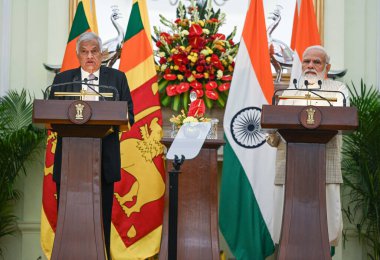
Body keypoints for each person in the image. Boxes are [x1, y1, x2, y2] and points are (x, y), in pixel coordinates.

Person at [49, 32, 134, 259]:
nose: (89, 56)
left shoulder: (117, 80)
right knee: (69, 219)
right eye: (84, 52)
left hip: (103, 163)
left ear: (102, 54)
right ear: (77, 55)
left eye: (94, 51)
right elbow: (51, 116)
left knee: (101, 220)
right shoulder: (63, 81)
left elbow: (130, 116)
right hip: (69, 165)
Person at [267, 45, 349, 247]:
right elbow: (275, 132)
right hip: (289, 166)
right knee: (288, 230)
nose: (310, 66)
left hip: (324, 165)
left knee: (323, 233)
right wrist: (270, 129)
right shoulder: (288, 92)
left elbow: (342, 121)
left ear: (326, 67)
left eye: (316, 62)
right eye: (307, 61)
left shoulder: (338, 90)